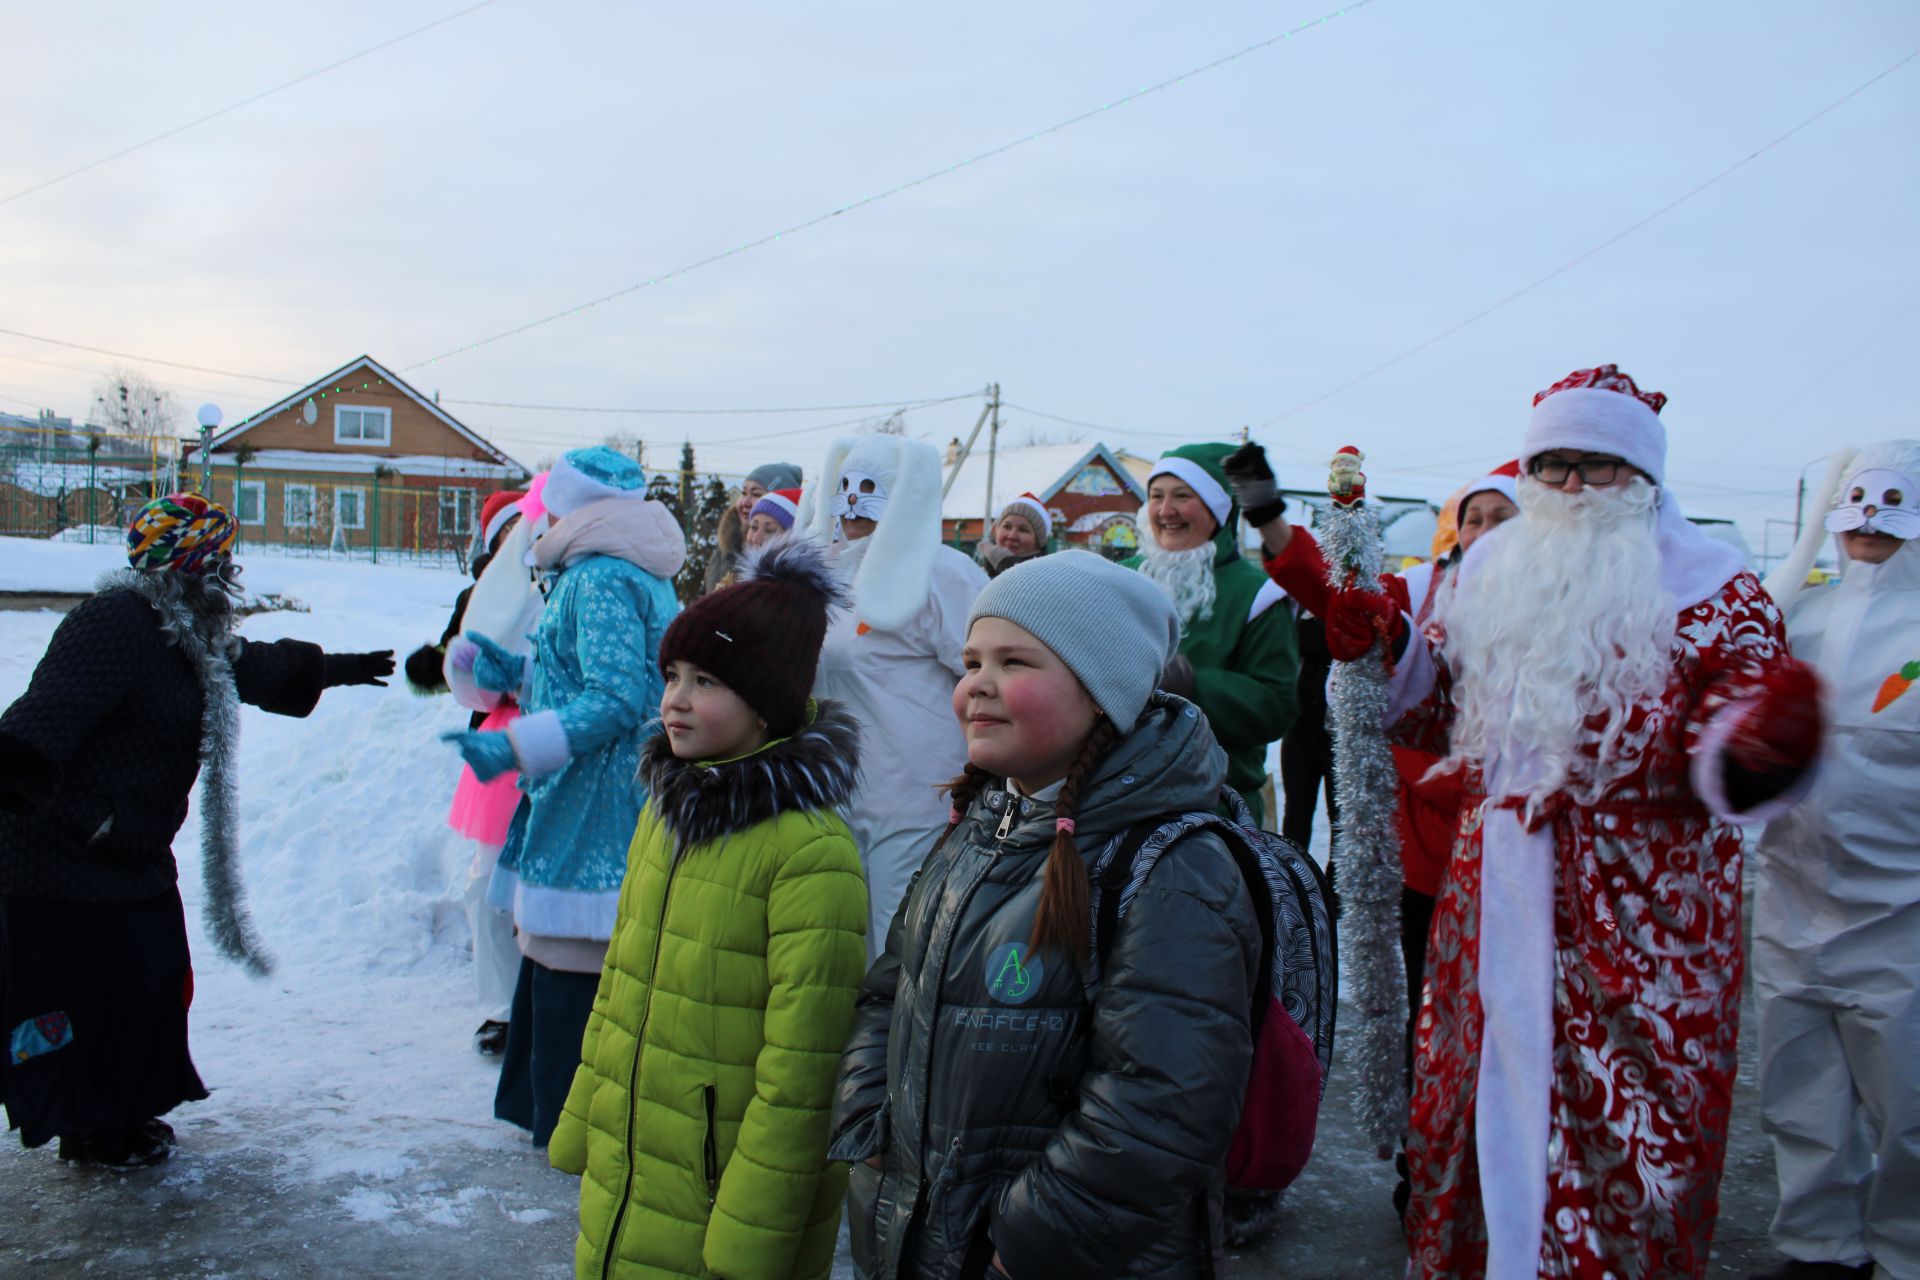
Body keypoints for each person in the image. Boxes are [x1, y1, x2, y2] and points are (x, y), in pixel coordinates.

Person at [1301, 366, 1820, 1276]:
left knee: (1629, 1132)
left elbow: (1729, 730)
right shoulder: (1492, 571)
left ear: (1645, 479)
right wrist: (1384, 651)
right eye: (1551, 468)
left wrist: (1757, 738)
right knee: (1476, 1103)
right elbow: (1441, 710)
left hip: (1639, 919)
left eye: (1597, 467)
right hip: (1490, 899)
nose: (1572, 489)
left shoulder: (1718, 590)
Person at [829, 551, 1260, 1279]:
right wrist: (870, 1121)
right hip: (929, 1230)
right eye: (971, 662)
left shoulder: (1172, 865)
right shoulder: (981, 823)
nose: (977, 686)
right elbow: (889, 989)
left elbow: (1158, 1108)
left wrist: (1023, 1244)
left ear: (1103, 693)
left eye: (1016, 662)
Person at [0, 494, 392, 1168]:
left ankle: (121, 1112)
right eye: (220, 559)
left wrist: (350, 667)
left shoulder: (184, 631)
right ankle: (89, 1126)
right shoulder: (116, 623)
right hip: (56, 861)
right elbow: (42, 720)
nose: (231, 571)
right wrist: (65, 811)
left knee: (150, 986)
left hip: (126, 855)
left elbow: (259, 668)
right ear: (188, 563)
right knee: (84, 998)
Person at [550, 536, 867, 1280]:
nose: (674, 700)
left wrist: (753, 1236)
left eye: (706, 681)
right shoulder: (665, 817)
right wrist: (586, 1118)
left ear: (767, 705)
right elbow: (620, 994)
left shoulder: (808, 852)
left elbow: (803, 1076)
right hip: (632, 1168)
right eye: (671, 675)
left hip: (725, 1199)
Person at [444, 446, 684, 1146]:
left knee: (573, 955)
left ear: (572, 508)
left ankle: (571, 1120)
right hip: (589, 791)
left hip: (595, 801)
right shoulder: (600, 569)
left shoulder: (600, 576)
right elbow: (584, 675)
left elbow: (617, 698)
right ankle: (545, 1107)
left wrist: (519, 745)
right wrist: (510, 670)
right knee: (557, 952)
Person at [1749, 440, 1920, 1280]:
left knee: (1910, 1107)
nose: (1869, 522)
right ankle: (1817, 1246)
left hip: (1906, 918)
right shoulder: (1801, 619)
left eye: (1894, 503)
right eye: (1853, 503)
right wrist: (1809, 532)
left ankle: (1905, 1251)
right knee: (1800, 1089)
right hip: (1792, 901)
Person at [801, 434, 987, 952]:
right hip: (833, 797)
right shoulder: (825, 573)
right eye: (844, 485)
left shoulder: (942, 573)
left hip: (913, 802)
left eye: (869, 485)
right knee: (835, 950)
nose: (854, 499)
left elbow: (984, 675)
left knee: (895, 950)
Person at [1124, 443, 1299, 825]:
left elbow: (1276, 706)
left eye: (1182, 497)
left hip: (1214, 811)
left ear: (1218, 509)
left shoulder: (1258, 594)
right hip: (1116, 802)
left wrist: (1192, 685)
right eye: (1156, 497)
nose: (1165, 511)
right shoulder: (1123, 577)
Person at [437, 486, 542, 1058]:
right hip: (502, 741)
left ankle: (537, 996)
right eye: (510, 529)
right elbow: (462, 666)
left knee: (541, 884)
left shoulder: (567, 579)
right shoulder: (483, 592)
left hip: (557, 740)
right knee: (489, 880)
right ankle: (499, 1007)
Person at [703, 461, 803, 594]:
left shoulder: (787, 570)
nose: (744, 502)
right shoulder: (726, 547)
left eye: (756, 494)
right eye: (744, 493)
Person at [977, 492, 1051, 578]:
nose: (1012, 536)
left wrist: (1007, 563)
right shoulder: (977, 574)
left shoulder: (1046, 577)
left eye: (1023, 530)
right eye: (1007, 526)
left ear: (1038, 542)